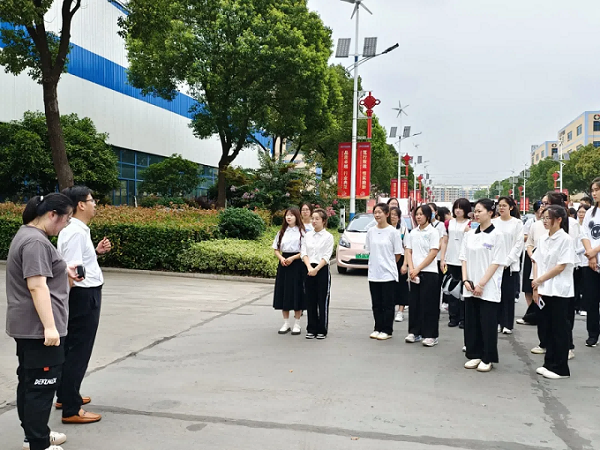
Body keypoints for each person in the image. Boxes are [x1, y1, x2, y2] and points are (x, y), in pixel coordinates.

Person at [6, 193, 82, 450]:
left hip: (30, 327)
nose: (66, 225)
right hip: (39, 330)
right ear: (52, 215)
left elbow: (42, 276)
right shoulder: (36, 242)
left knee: (30, 383)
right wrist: (50, 328)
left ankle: (35, 435)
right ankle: (39, 443)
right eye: (66, 219)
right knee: (41, 386)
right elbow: (37, 286)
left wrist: (63, 271)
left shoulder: (28, 236)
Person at [56, 186, 111, 425]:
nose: (94, 204)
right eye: (91, 200)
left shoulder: (76, 230)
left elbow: (78, 263)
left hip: (82, 294)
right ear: (80, 204)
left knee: (72, 348)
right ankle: (71, 408)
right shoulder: (75, 232)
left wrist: (95, 253)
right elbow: (72, 270)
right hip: (83, 296)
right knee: (79, 350)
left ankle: (66, 395)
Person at [460, 199, 507, 372]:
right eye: (475, 211)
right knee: (472, 322)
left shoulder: (497, 235)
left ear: (490, 213)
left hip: (488, 287)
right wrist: (466, 280)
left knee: (487, 323)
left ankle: (487, 357)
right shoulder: (470, 234)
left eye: (480, 211)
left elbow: (496, 262)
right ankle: (474, 354)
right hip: (470, 286)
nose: (476, 214)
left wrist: (481, 284)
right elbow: (463, 258)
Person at [531, 205, 576, 379]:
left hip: (559, 289)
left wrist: (540, 280)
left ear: (559, 220)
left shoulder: (566, 239)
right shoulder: (543, 239)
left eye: (548, 218)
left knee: (559, 329)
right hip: (544, 289)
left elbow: (561, 266)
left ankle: (561, 368)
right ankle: (548, 363)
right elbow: (536, 261)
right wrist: (536, 286)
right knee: (547, 328)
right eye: (543, 217)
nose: (545, 221)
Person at [365, 203, 404, 340]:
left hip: (388, 273)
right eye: (375, 212)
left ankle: (387, 330)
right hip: (374, 273)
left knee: (388, 303)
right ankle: (377, 327)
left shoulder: (393, 232)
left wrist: (388, 263)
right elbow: (369, 250)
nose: (377, 215)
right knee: (376, 303)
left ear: (387, 214)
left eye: (380, 212)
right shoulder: (371, 231)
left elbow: (398, 253)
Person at [404, 204, 440, 347]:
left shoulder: (433, 232)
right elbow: (408, 251)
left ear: (428, 216)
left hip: (429, 272)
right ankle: (414, 332)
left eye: (421, 214)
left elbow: (433, 253)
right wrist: (411, 269)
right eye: (416, 214)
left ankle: (431, 335)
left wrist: (418, 268)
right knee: (414, 303)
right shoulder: (413, 232)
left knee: (429, 305)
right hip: (414, 273)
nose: (418, 217)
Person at [272, 207, 306, 336]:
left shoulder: (302, 232)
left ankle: (297, 323)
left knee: (297, 292)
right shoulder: (281, 232)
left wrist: (292, 258)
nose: (289, 217)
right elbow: (276, 249)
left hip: (297, 264)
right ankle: (286, 323)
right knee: (284, 292)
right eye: (287, 215)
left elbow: (304, 250)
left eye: (292, 215)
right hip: (284, 264)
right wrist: (281, 258)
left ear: (297, 217)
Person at [492, 196, 523, 335]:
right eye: (500, 205)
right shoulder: (493, 222)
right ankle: (497, 322)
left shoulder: (517, 223)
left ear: (511, 207)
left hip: (510, 266)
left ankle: (507, 324)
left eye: (504, 205)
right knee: (496, 294)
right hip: (495, 265)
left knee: (508, 295)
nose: (501, 208)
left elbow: (518, 244)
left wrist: (508, 261)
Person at [301, 208, 334, 339]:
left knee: (322, 300)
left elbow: (326, 255)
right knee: (310, 299)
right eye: (313, 218)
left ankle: (322, 329)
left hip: (322, 269)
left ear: (323, 221)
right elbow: (304, 252)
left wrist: (316, 269)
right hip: (309, 269)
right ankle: (311, 328)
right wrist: (309, 267)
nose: (314, 221)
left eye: (317, 219)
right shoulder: (307, 236)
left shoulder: (328, 237)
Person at [441, 198, 472, 328]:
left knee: (464, 291)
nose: (458, 210)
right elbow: (444, 241)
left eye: (461, 208)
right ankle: (453, 317)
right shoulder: (449, 223)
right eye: (456, 208)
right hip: (451, 260)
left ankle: (465, 318)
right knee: (452, 290)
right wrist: (443, 258)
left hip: (465, 261)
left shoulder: (470, 224)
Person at [581, 177, 600, 347]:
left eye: (597, 190)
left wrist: (595, 250)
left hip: (595, 254)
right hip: (591, 263)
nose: (594, 193)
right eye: (592, 190)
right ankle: (592, 334)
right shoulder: (590, 213)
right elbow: (585, 234)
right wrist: (591, 255)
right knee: (592, 301)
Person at [517, 200, 542, 326]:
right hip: (530, 254)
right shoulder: (531, 222)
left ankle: (534, 313)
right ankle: (531, 310)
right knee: (528, 285)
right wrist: (531, 254)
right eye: (540, 209)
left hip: (541, 256)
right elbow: (526, 238)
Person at [389, 206, 409, 322]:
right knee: (389, 287)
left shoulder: (403, 230)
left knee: (402, 286)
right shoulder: (385, 229)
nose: (393, 217)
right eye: (391, 214)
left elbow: (407, 248)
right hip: (388, 260)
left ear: (399, 217)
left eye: (395, 215)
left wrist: (405, 264)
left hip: (400, 260)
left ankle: (400, 311)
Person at [574, 204, 590, 317]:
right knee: (576, 284)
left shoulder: (587, 225)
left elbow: (587, 242)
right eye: (579, 212)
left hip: (585, 258)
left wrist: (577, 251)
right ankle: (576, 305)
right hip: (575, 260)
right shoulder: (575, 225)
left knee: (585, 285)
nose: (581, 214)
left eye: (583, 212)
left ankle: (584, 307)